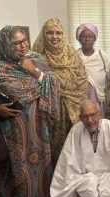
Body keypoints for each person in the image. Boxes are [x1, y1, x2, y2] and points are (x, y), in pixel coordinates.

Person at [0, 26, 60, 197]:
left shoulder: (36, 59)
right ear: (5, 44)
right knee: (16, 167)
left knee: (42, 162)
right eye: (17, 42)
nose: (23, 45)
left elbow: (53, 83)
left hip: (39, 127)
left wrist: (34, 71)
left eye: (24, 40)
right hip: (11, 129)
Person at [33, 18, 88, 166]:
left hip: (74, 107)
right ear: (44, 34)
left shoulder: (71, 53)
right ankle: (57, 179)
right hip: (50, 109)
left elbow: (82, 78)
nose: (55, 36)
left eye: (58, 33)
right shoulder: (37, 56)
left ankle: (77, 176)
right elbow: (33, 83)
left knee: (76, 145)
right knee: (55, 146)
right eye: (50, 32)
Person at [76, 23, 110, 114]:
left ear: (95, 39)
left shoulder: (102, 55)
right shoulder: (74, 56)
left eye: (90, 36)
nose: (87, 39)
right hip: (80, 98)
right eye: (83, 36)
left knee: (98, 122)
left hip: (99, 98)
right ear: (79, 39)